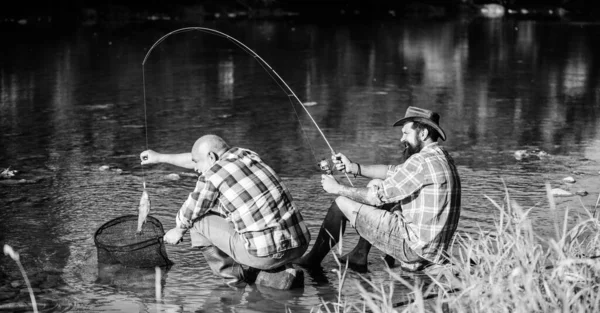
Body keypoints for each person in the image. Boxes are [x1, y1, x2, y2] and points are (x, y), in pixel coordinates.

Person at [295, 106, 461, 272]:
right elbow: (391, 171)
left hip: (415, 249)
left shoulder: (420, 162)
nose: (401, 139)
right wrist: (353, 167)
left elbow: (375, 197)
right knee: (376, 182)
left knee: (340, 203)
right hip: (434, 250)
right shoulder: (442, 157)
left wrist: (337, 188)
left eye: (406, 133)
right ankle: (359, 254)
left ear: (423, 134)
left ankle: (312, 260)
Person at [140, 134, 311, 287]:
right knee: (230, 212)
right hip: (300, 244)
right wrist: (159, 157)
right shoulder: (246, 154)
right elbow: (197, 159)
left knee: (197, 223)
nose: (195, 168)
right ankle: (278, 271)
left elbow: (189, 212)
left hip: (267, 255)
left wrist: (178, 229)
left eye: (197, 163)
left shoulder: (212, 176)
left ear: (211, 157)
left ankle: (235, 282)